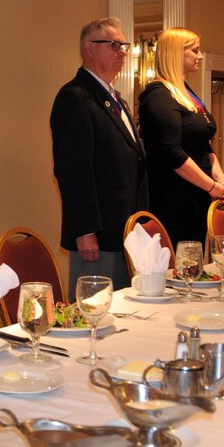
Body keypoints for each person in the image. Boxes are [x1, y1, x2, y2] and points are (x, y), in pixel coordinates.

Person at [51, 17, 149, 299]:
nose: (122, 52)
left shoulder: (116, 98)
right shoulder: (75, 97)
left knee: (125, 313)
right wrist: (84, 230)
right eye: (114, 44)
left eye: (124, 46)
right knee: (95, 312)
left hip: (125, 229)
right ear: (89, 49)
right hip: (99, 233)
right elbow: (73, 170)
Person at [137, 27, 224, 245]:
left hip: (197, 194)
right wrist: (211, 186)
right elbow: (172, 152)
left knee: (194, 258)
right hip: (174, 198)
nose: (200, 56)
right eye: (195, 50)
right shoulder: (159, 96)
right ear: (176, 53)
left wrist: (220, 179)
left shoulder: (185, 92)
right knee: (178, 264)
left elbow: (203, 144)